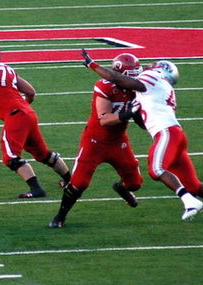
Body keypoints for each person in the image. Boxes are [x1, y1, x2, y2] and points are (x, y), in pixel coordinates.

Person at [81, 49, 203, 232]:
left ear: (160, 68)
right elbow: (144, 119)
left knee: (156, 169)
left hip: (167, 133)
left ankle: (189, 201)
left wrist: (93, 65)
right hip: (175, 134)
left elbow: (120, 79)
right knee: (193, 184)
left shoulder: (153, 76)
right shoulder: (162, 85)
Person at [49, 53, 144, 228]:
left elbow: (141, 120)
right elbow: (105, 119)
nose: (136, 79)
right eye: (131, 75)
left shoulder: (137, 89)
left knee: (135, 184)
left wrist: (144, 119)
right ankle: (60, 216)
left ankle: (121, 188)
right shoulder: (105, 86)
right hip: (95, 141)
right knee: (79, 183)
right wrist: (130, 112)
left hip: (118, 141)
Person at [0, 41, 70, 198]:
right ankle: (69, 180)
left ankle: (36, 188)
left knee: (10, 157)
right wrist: (22, 108)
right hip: (27, 113)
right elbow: (31, 92)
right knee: (42, 153)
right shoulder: (8, 69)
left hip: (16, 115)